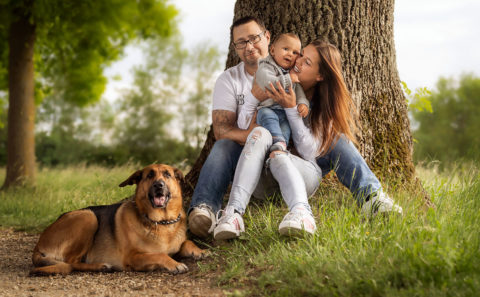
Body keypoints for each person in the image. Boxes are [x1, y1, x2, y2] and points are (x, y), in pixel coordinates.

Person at [188, 16, 402, 239]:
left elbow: (310, 150)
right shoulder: (231, 79)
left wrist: (291, 110)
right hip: (255, 166)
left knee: (337, 140)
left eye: (254, 38)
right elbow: (223, 132)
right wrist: (257, 132)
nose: (249, 46)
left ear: (267, 38)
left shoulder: (313, 96)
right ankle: (205, 210)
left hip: (298, 169)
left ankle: (372, 199)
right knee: (230, 143)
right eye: (241, 42)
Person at [252, 32, 309, 152]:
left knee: (286, 128)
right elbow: (268, 82)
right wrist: (289, 79)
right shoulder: (265, 66)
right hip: (268, 108)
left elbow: (298, 90)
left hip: (285, 113)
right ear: (272, 50)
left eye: (295, 53)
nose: (290, 54)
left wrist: (303, 103)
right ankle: (277, 140)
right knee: (267, 116)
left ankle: (281, 147)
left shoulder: (291, 72)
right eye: (286, 49)